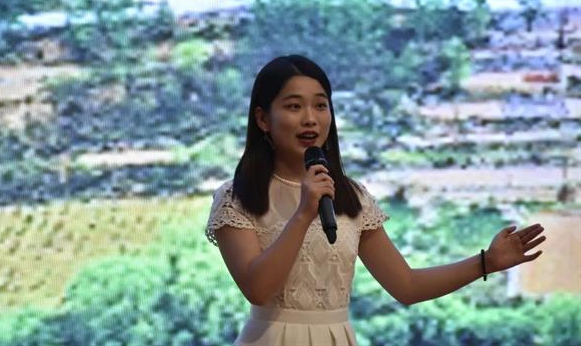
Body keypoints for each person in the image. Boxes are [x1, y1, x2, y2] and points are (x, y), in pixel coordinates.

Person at [205, 55, 546, 346]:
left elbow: (406, 286)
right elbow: (258, 289)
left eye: (320, 105)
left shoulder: (350, 196)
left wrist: (486, 262)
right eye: (294, 106)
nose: (310, 118)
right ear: (263, 118)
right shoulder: (237, 196)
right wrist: (304, 212)